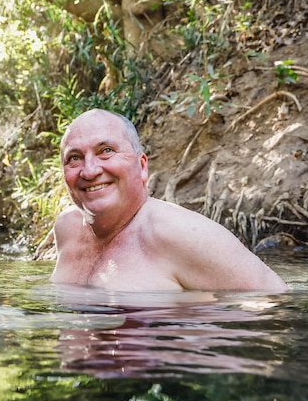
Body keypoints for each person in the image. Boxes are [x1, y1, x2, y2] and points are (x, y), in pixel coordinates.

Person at [50, 109, 288, 291]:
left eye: (106, 151)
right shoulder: (67, 229)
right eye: (74, 158)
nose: (89, 171)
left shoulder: (180, 233)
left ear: (142, 167)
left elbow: (275, 300)